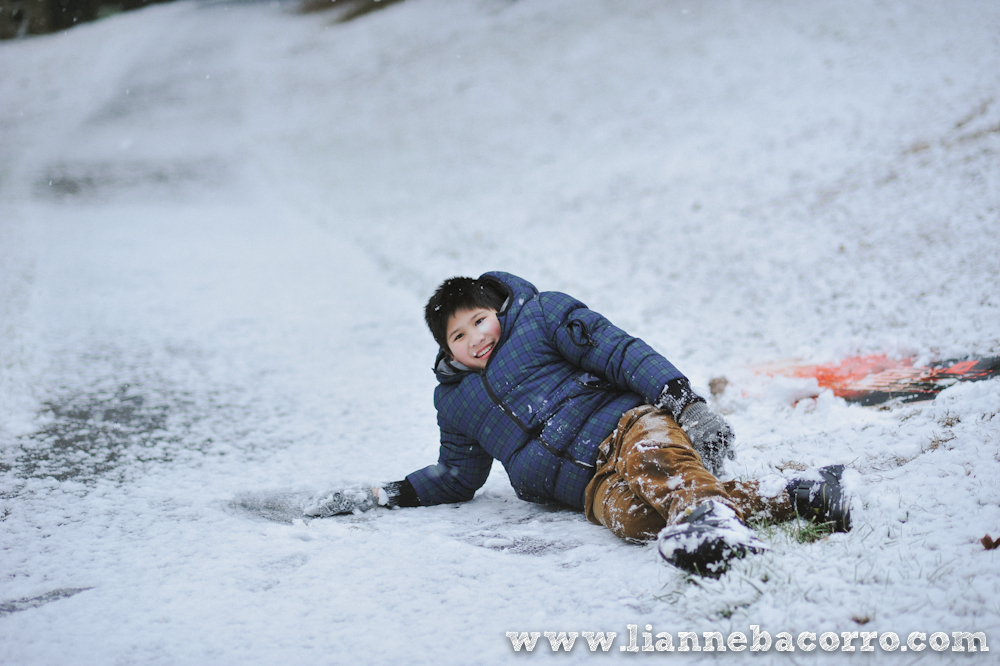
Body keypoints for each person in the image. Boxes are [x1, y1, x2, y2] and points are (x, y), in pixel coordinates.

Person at [306, 272, 850, 576]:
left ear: (495, 308)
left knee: (660, 465)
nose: (476, 338)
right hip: (586, 487)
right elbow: (457, 476)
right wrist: (388, 493)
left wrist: (684, 404)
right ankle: (799, 495)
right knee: (637, 519)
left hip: (627, 424)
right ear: (446, 351)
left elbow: (618, 352)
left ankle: (708, 517)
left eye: (479, 320)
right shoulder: (454, 403)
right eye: (458, 336)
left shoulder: (542, 318)